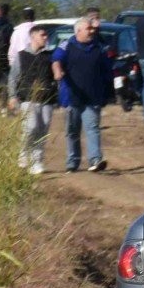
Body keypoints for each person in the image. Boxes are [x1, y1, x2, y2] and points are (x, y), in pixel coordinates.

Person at [52, 15, 115, 172]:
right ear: (78, 30)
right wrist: (57, 71)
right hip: (72, 96)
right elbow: (56, 60)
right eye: (88, 28)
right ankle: (72, 162)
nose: (92, 31)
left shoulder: (99, 47)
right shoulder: (66, 45)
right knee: (72, 131)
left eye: (92, 28)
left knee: (93, 128)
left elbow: (107, 70)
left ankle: (95, 160)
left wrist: (109, 92)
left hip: (93, 96)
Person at [13, 23, 59, 174]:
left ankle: (37, 162)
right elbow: (13, 77)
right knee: (31, 128)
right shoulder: (21, 56)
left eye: (46, 35)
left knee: (43, 130)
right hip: (27, 98)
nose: (46, 38)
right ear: (33, 36)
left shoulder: (49, 56)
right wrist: (12, 96)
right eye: (42, 35)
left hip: (47, 98)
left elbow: (55, 75)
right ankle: (24, 153)